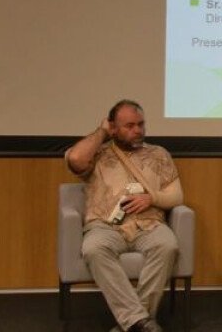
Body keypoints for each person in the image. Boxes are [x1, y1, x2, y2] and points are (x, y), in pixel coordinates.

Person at [65, 100, 184, 332]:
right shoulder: (97, 154)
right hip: (105, 226)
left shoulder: (159, 154)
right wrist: (101, 132)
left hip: (148, 224)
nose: (137, 130)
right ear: (113, 127)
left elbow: (177, 196)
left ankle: (133, 323)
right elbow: (75, 160)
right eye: (129, 126)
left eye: (141, 124)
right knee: (94, 249)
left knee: (167, 245)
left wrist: (152, 198)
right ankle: (140, 321)